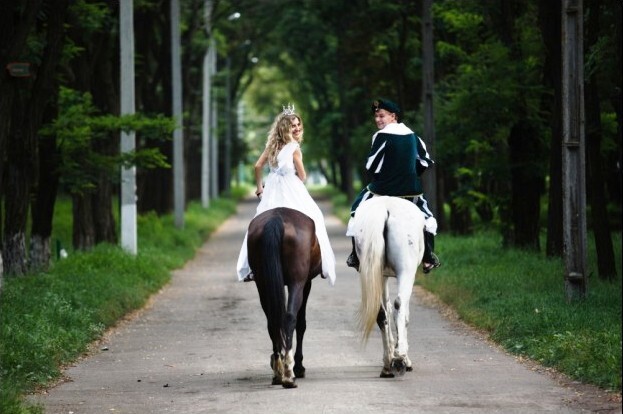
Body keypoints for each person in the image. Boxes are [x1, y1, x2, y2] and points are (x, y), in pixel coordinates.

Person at [236, 105, 337, 285]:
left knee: (259, 219)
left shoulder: (272, 146)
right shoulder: (294, 147)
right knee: (316, 217)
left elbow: (257, 166)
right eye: (293, 126)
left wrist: (260, 188)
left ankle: (251, 268)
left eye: (299, 125)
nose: (297, 128)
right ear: (285, 128)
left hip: (272, 189)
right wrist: (296, 177)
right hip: (291, 187)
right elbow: (303, 176)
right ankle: (321, 265)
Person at [345, 98, 441, 273]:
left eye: (382, 116)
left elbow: (371, 165)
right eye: (376, 117)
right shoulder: (413, 136)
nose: (378, 120)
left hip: (384, 190)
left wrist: (382, 175)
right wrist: (411, 173)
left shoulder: (380, 136)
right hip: (411, 191)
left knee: (356, 210)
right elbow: (426, 161)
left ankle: (354, 256)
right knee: (427, 216)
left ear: (393, 116)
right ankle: (428, 256)